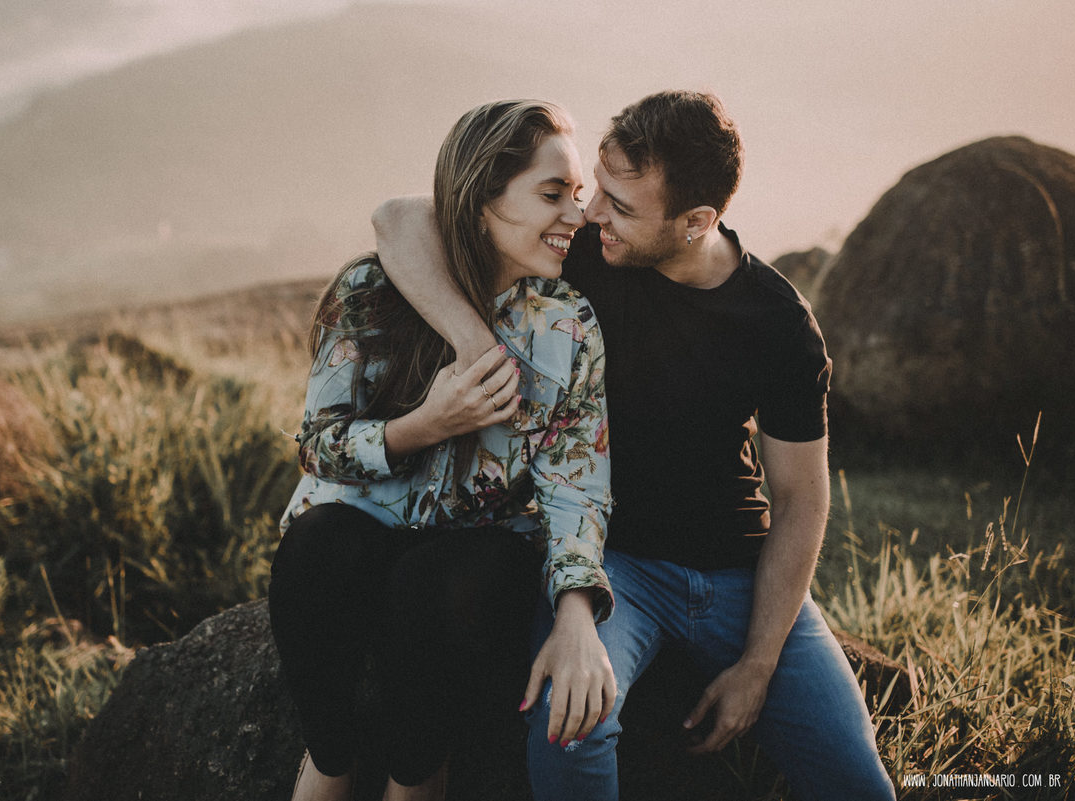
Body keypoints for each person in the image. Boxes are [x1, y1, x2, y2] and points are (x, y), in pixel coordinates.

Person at [372, 90, 897, 800]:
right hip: (613, 563)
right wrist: (475, 346)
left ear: (697, 222)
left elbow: (801, 498)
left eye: (619, 205)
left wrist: (759, 663)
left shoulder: (779, 323)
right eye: (599, 188)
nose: (590, 214)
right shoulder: (587, 253)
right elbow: (400, 219)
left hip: (740, 572)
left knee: (858, 782)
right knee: (571, 723)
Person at [267, 99, 619, 801]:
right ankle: (332, 761)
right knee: (315, 547)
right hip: (359, 528)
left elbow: (576, 482)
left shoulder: (566, 324)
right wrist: (422, 425)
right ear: (483, 198)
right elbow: (317, 445)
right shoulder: (370, 291)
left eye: (576, 195)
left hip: (470, 548)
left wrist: (578, 605)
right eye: (552, 194)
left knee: (446, 584)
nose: (575, 216)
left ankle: (417, 773)